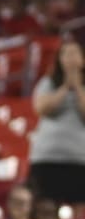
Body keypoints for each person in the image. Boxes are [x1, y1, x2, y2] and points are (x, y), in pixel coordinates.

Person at [29, 38, 85, 205]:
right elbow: (41, 108)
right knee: (44, 205)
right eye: (66, 54)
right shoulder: (48, 83)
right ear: (59, 59)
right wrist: (65, 87)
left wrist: (77, 88)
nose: (70, 58)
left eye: (75, 53)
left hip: (79, 159)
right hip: (47, 157)